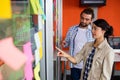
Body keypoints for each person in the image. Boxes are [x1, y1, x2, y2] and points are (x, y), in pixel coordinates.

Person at [62, 8, 94, 80]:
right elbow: (67, 43)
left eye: (87, 19)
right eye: (82, 18)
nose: (83, 21)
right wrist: (64, 43)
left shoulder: (93, 31)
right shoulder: (72, 29)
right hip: (74, 64)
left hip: (88, 65)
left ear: (91, 20)